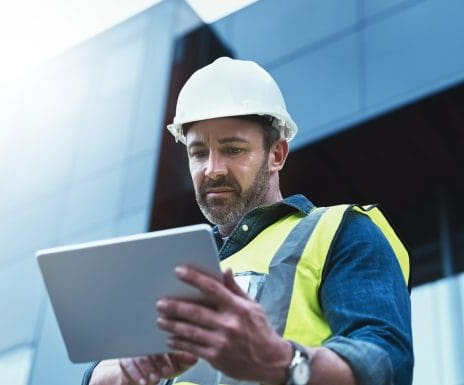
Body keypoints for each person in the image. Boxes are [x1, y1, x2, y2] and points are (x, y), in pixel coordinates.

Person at [82, 57, 413, 385]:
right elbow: (105, 374)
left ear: (277, 155)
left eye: (234, 149)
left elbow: (386, 365)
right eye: (198, 153)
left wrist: (283, 362)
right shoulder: (173, 265)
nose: (212, 169)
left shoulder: (341, 230)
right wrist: (118, 372)